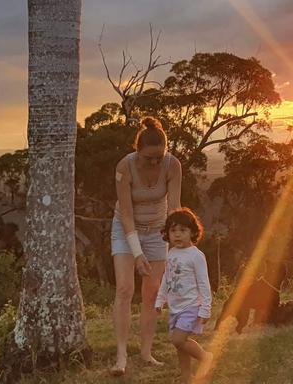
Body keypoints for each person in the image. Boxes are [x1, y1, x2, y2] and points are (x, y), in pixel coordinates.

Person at [111, 116, 182, 376]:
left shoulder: (173, 165)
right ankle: (121, 355)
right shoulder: (125, 167)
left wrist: (179, 244)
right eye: (149, 157)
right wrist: (137, 253)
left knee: (152, 294)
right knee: (125, 289)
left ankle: (146, 352)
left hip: (157, 232)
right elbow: (126, 214)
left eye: (159, 157)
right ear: (137, 150)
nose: (154, 162)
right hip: (126, 230)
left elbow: (175, 207)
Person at [155, 207, 214, 383]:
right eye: (173, 231)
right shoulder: (171, 254)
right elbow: (167, 278)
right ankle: (187, 376)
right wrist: (160, 298)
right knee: (180, 345)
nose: (177, 235)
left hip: (191, 306)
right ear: (167, 233)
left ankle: (205, 357)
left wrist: (205, 309)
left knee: (178, 340)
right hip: (175, 308)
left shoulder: (196, 256)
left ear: (193, 232)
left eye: (183, 230)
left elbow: (204, 284)